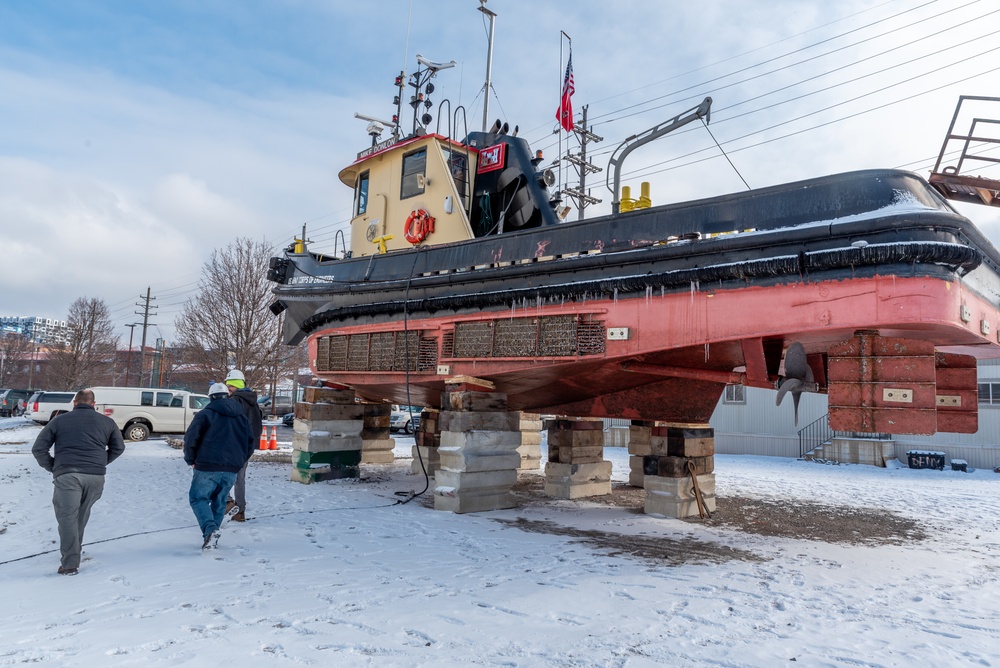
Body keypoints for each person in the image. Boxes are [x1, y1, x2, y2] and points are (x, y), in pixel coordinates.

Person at [31, 389, 126, 575]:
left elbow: (38, 449)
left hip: (68, 475)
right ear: (94, 403)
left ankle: (69, 564)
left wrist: (54, 467)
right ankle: (73, 551)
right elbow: (119, 447)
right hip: (96, 477)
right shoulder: (107, 422)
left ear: (74, 403)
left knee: (67, 518)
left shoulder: (59, 420)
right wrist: (100, 463)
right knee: (80, 516)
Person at [183, 383, 255, 549]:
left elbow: (190, 439)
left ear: (210, 397)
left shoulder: (205, 414)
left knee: (198, 498)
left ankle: (210, 530)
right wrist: (239, 461)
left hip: (207, 465)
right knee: (219, 500)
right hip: (232, 468)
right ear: (226, 396)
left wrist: (190, 459)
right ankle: (212, 535)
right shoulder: (241, 417)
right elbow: (250, 443)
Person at [222, 369, 263, 522]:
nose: (228, 389)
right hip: (247, 446)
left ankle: (228, 503)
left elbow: (228, 425)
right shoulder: (252, 401)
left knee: (222, 474)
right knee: (239, 478)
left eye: (230, 385)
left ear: (237, 385)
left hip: (234, 446)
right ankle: (240, 511)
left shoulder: (234, 401)